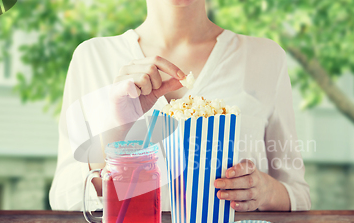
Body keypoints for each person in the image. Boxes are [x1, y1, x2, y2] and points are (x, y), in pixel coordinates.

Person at [49, 0, 311, 212]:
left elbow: (298, 194)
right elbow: (63, 195)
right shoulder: (92, 57)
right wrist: (116, 133)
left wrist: (264, 191)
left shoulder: (265, 57)